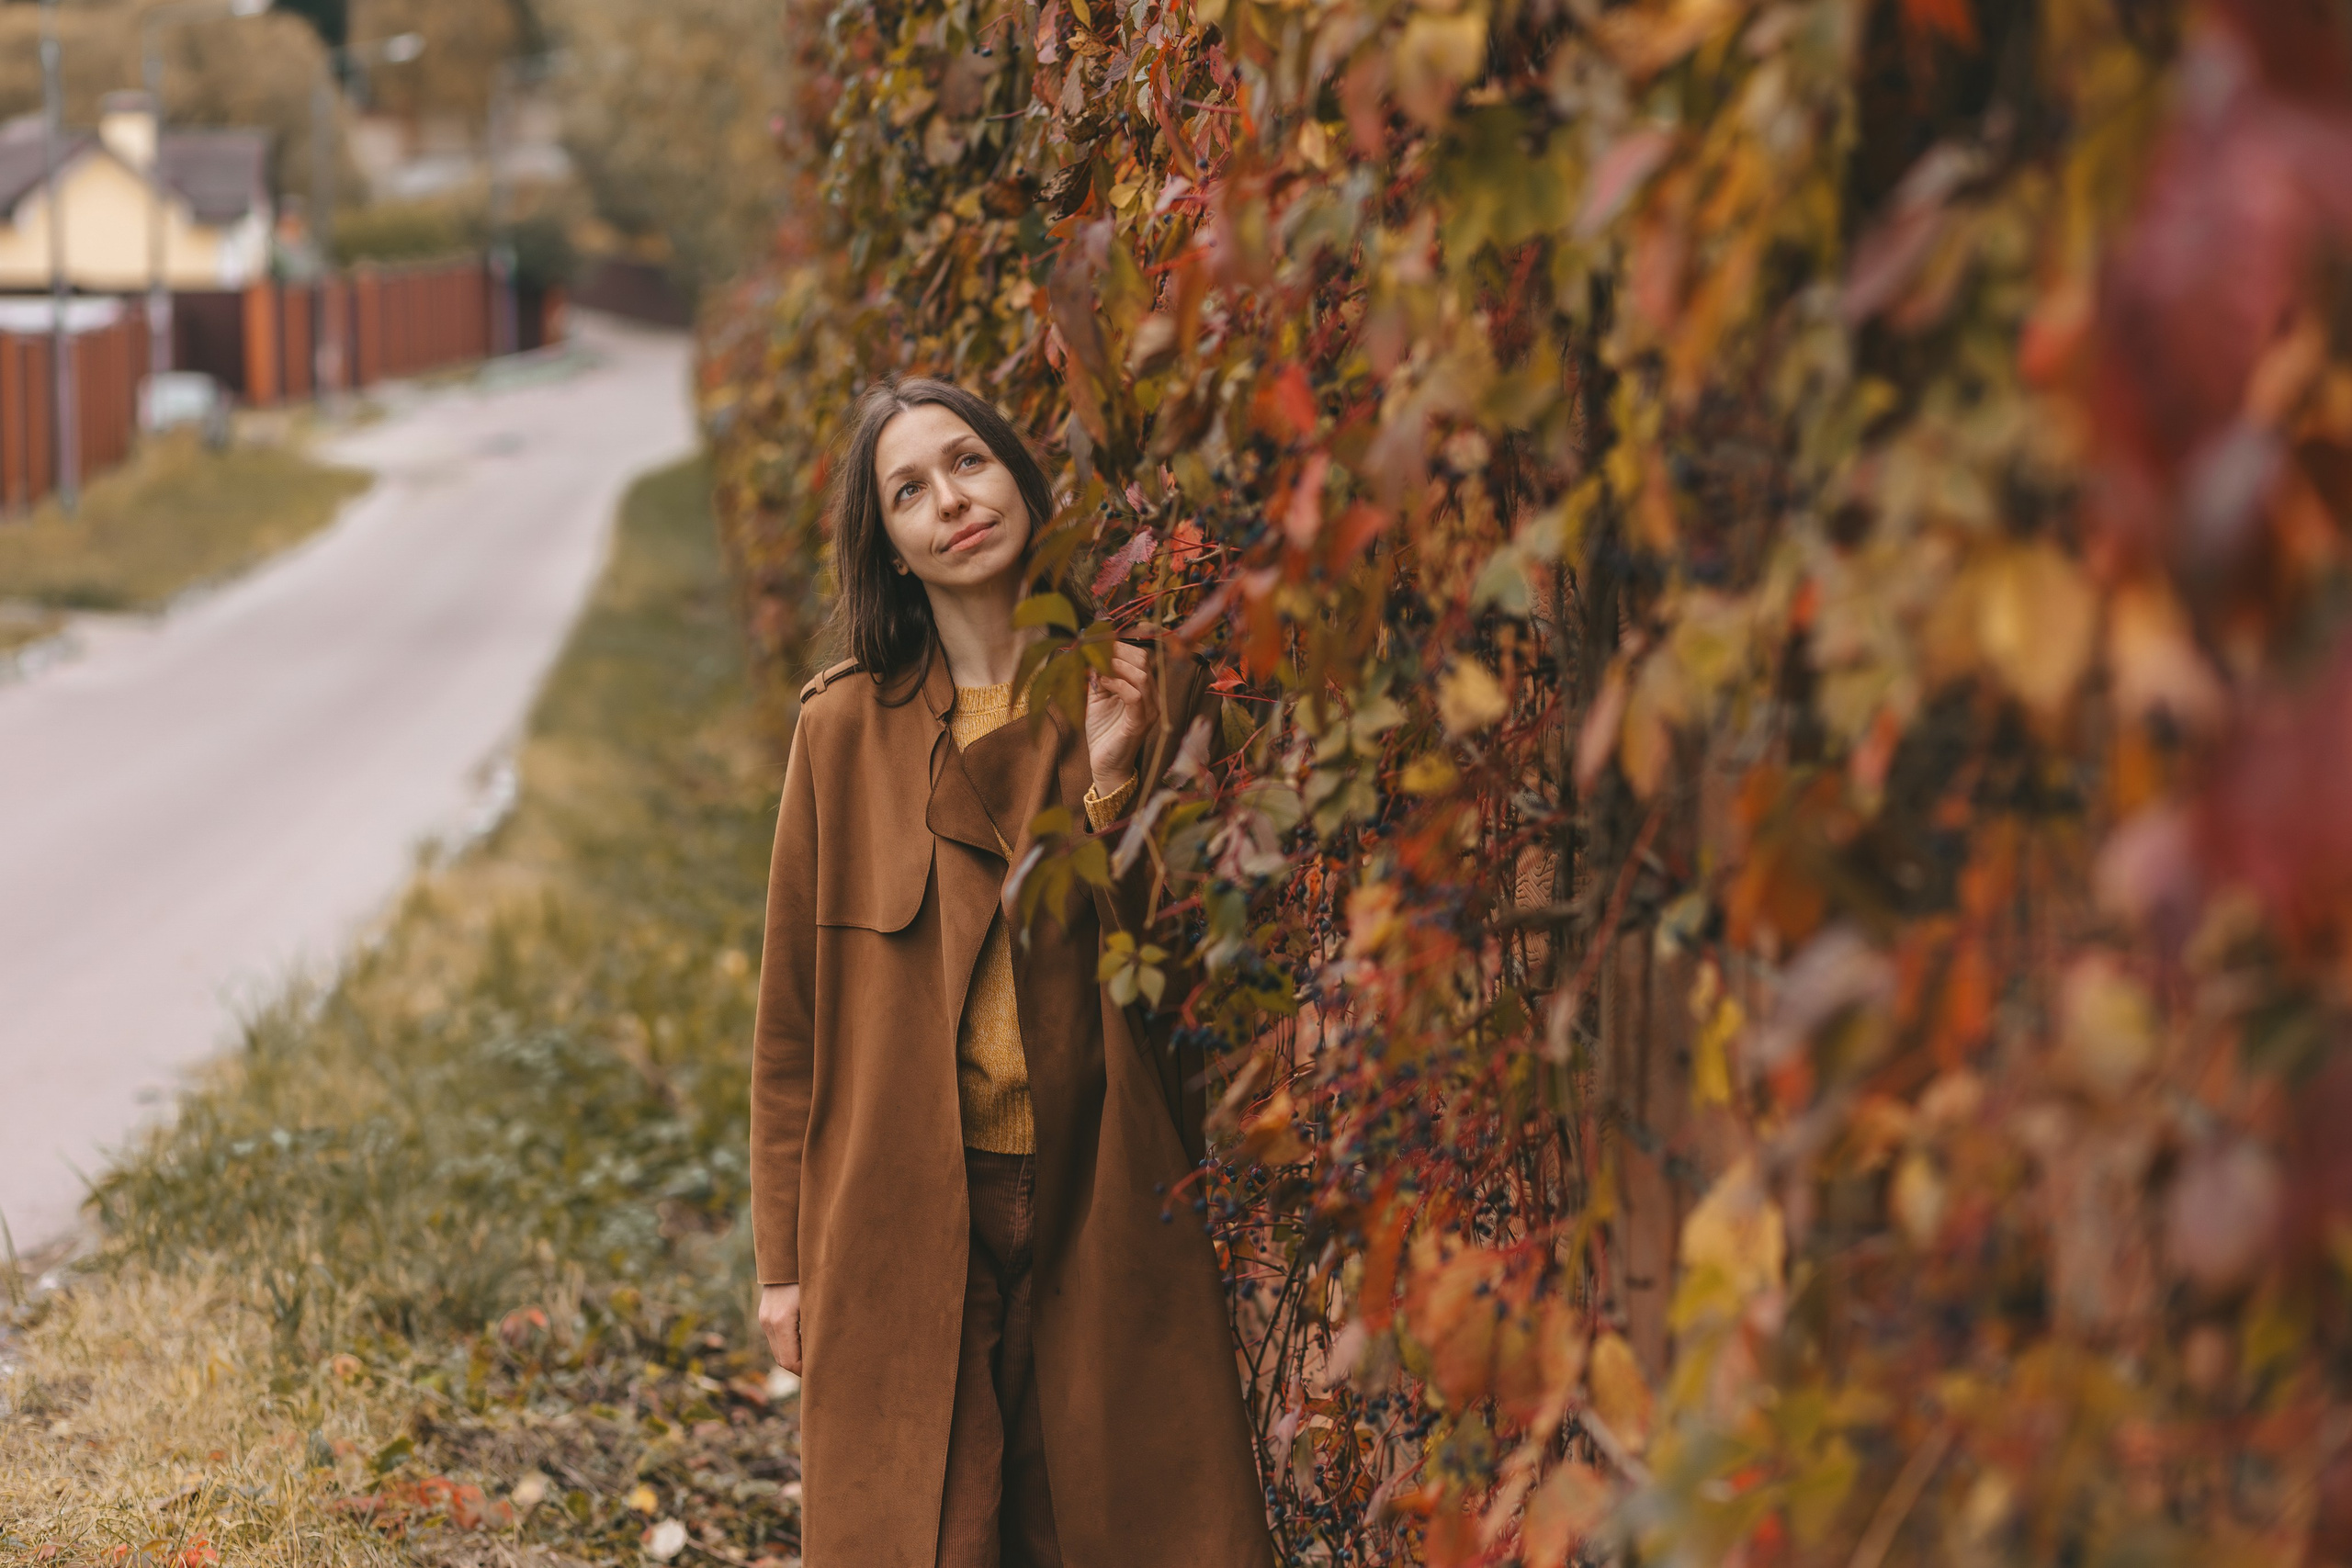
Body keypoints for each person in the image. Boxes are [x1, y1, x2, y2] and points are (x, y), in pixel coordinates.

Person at [748, 377, 1274, 1568]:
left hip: (1105, 1191)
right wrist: (782, 1266)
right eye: (909, 491)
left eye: (969, 463)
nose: (951, 502)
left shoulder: (1147, 693)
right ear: (888, 546)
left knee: (1112, 1528)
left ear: (1022, 482)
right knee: (934, 1536)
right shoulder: (839, 733)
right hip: (900, 1211)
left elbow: (1192, 971)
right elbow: (790, 1029)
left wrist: (1101, 783)